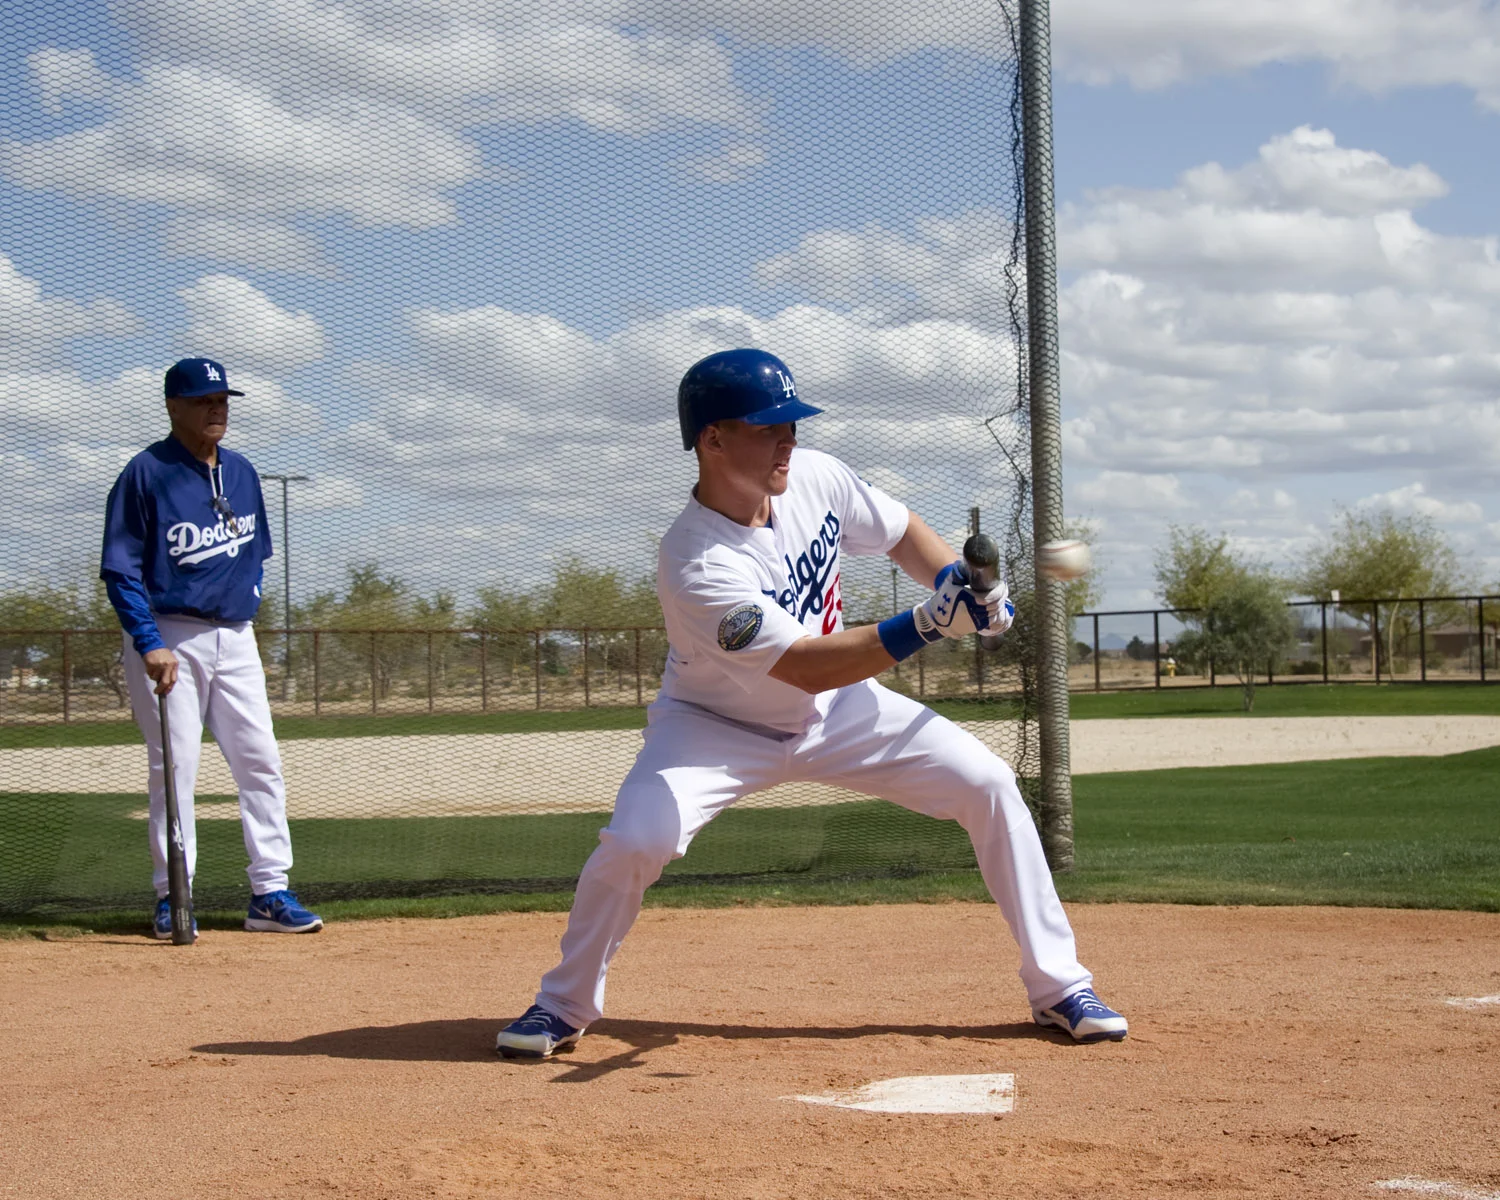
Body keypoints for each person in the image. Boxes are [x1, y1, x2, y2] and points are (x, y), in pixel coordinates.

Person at [496, 348, 1125, 1058]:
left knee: (988, 784)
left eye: (791, 422)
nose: (787, 438)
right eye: (769, 427)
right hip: (714, 727)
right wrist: (926, 623)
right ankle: (563, 1004)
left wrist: (964, 589)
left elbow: (902, 533)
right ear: (712, 439)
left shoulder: (815, 477)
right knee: (638, 840)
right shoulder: (697, 561)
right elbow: (802, 667)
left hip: (844, 712)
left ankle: (1060, 987)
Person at [101, 357, 322, 940]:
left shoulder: (243, 472)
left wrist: (244, 604)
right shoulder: (145, 473)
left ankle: (269, 893)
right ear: (174, 406)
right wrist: (148, 641)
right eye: (204, 399)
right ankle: (173, 896)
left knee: (261, 761)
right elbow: (120, 570)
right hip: (168, 633)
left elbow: (256, 555)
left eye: (223, 398)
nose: (217, 408)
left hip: (235, 635)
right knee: (175, 768)